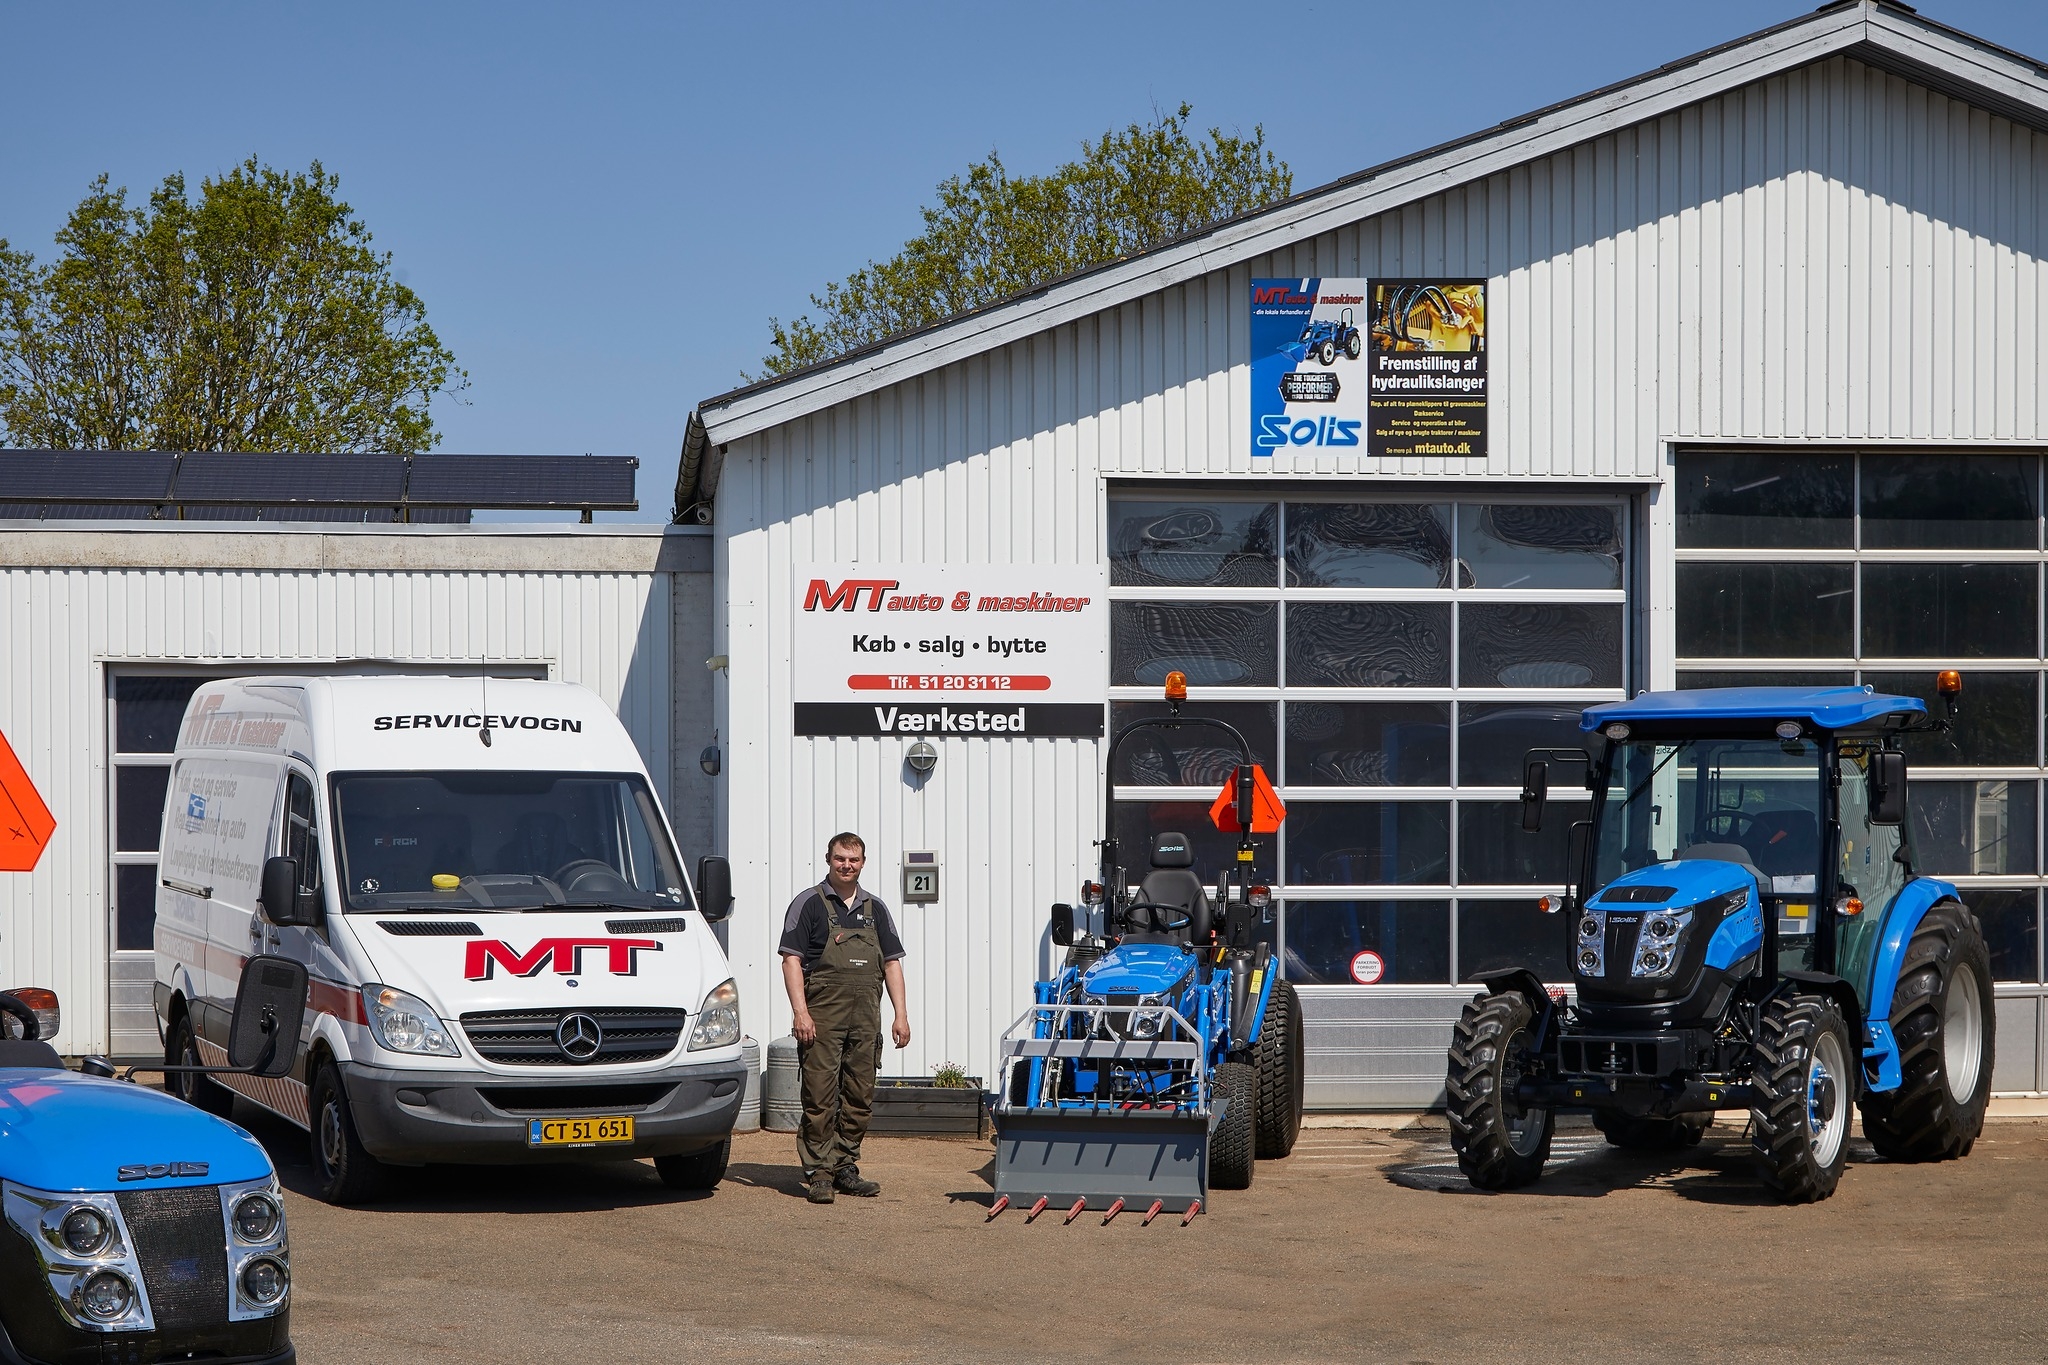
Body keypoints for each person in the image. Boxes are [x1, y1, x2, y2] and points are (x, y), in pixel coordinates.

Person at [779, 832, 910, 1204]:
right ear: (828, 859)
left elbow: (891, 964)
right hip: (822, 1018)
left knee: (859, 1095)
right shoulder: (808, 903)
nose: (846, 865)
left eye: (853, 860)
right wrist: (801, 1013)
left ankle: (844, 1166)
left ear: (863, 863)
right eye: (840, 858)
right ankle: (819, 1173)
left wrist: (901, 1015)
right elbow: (790, 960)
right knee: (819, 1097)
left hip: (865, 1019)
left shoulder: (875, 909)